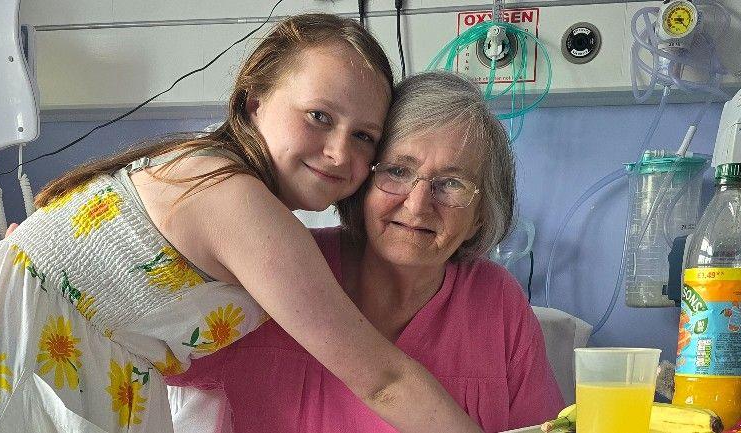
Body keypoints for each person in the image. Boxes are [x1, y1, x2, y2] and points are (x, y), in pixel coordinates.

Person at [0, 15, 483, 433]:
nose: (339, 152)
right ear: (253, 100)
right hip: (6, 380)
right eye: (319, 117)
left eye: (364, 136)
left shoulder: (202, 171)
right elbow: (383, 379)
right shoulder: (234, 201)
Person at [166, 71, 565, 433]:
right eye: (396, 171)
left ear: (480, 216)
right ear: (361, 183)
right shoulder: (278, 269)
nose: (418, 204)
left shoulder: (497, 303)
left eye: (452, 183)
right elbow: (143, 351)